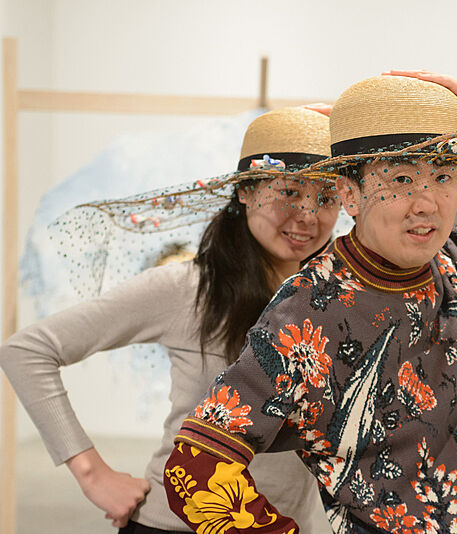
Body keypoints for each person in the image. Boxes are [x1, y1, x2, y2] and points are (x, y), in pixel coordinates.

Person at [163, 72, 457, 533]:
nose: (427, 203)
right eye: (401, 179)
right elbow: (193, 471)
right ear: (349, 194)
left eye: (442, 176)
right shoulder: (307, 313)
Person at [0, 106, 341, 533]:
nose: (308, 215)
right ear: (245, 192)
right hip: (177, 525)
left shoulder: (334, 298)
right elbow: (27, 349)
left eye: (326, 197)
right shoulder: (189, 287)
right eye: (289, 193)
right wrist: (94, 475)